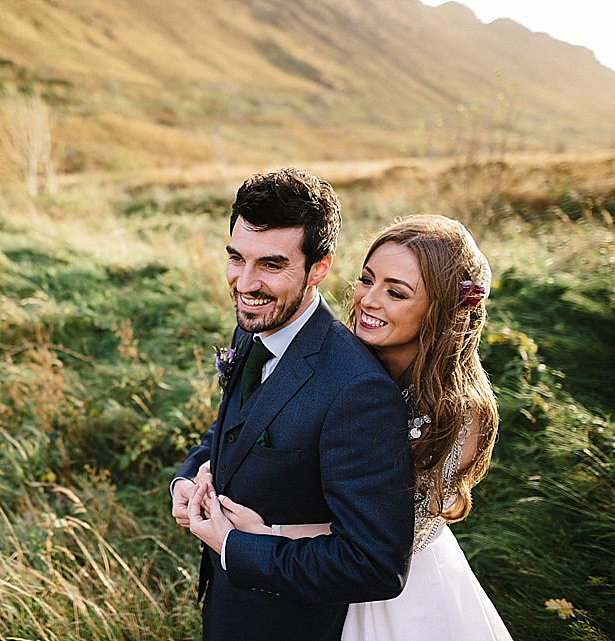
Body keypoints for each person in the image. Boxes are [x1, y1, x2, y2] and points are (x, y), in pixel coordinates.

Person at [200, 214, 513, 640]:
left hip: (396, 600)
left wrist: (272, 534)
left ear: (440, 309)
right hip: (307, 580)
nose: (368, 300)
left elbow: (402, 534)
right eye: (368, 280)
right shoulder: (338, 359)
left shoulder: (457, 412)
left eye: (396, 293)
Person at [169, 168, 414, 641]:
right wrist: (188, 476)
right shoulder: (253, 326)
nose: (245, 282)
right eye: (237, 258)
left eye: (271, 265)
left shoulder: (358, 391)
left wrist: (234, 546)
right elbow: (229, 431)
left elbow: (374, 564)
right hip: (228, 610)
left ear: (319, 267)